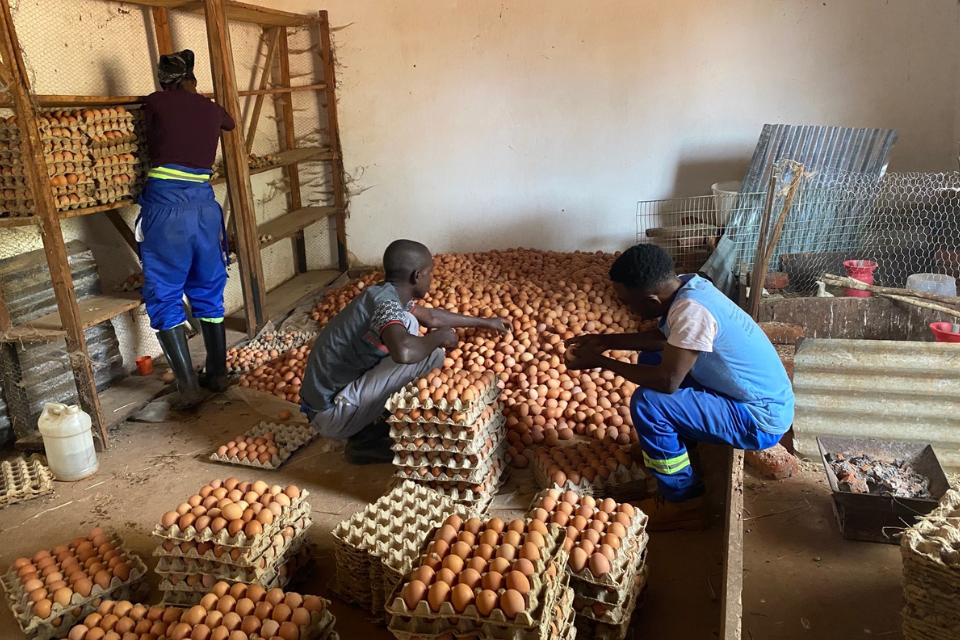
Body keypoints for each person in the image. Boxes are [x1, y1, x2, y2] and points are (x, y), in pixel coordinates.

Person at [564, 244, 794, 531]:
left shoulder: (690, 311)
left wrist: (600, 362)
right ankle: (677, 448)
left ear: (651, 301)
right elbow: (665, 339)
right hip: (752, 396)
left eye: (626, 301)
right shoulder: (688, 287)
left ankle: (684, 502)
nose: (624, 306)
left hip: (759, 418)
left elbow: (667, 382)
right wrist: (607, 341)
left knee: (648, 402)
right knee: (653, 358)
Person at [300, 240, 511, 465]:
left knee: (409, 323)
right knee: (430, 355)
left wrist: (485, 322)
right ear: (417, 276)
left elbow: (431, 317)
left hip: (326, 401)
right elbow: (404, 352)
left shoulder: (385, 293)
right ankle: (365, 441)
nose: (432, 278)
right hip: (331, 413)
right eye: (430, 272)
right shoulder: (386, 305)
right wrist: (438, 338)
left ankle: (371, 423)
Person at [139, 50, 235, 407]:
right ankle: (218, 374)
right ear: (192, 80)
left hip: (166, 211)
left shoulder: (155, 102)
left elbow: (152, 135)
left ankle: (189, 390)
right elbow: (230, 124)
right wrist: (199, 99)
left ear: (165, 81)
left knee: (164, 293)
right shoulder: (210, 108)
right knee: (209, 287)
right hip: (206, 209)